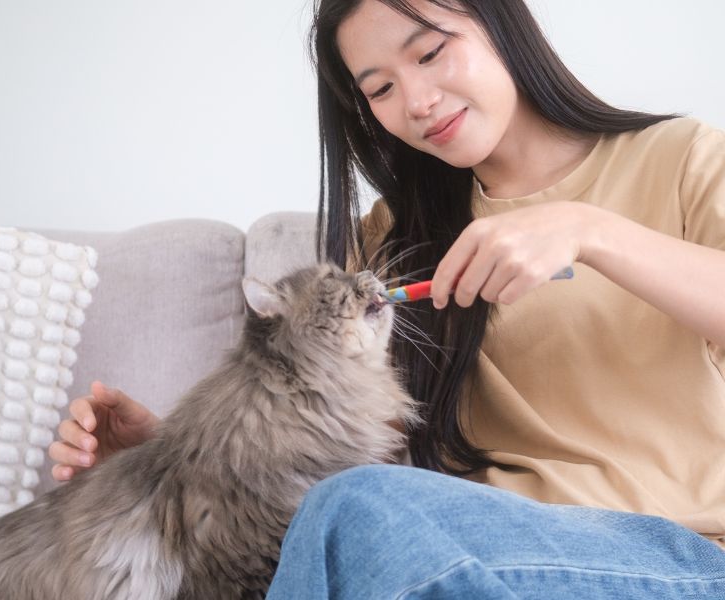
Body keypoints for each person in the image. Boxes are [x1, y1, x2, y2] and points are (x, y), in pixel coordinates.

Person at [49, 0, 725, 597]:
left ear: (498, 20)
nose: (418, 100)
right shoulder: (392, 239)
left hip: (675, 555)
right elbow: (354, 441)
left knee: (358, 510)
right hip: (455, 553)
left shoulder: (682, 158)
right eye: (380, 89)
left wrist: (592, 230)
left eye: (431, 53)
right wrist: (180, 459)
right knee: (350, 514)